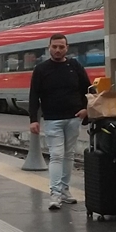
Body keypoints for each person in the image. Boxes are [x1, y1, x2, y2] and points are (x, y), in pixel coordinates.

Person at [28, 34, 90, 210]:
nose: (57, 50)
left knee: (68, 155)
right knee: (56, 155)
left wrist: (86, 109)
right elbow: (34, 96)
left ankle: (64, 190)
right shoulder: (41, 69)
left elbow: (87, 88)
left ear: (67, 48)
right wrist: (34, 120)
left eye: (61, 47)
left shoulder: (75, 66)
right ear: (49, 47)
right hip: (52, 119)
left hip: (74, 118)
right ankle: (55, 193)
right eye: (54, 47)